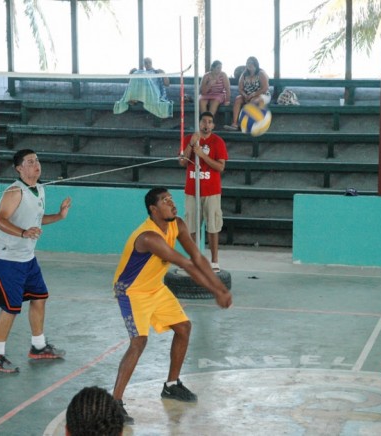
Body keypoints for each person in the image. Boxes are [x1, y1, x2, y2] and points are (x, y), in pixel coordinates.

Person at [111, 187, 233, 425]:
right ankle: (114, 402)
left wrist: (220, 287)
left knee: (184, 328)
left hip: (155, 287)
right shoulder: (149, 237)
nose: (172, 204)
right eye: (165, 201)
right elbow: (186, 264)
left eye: (172, 199)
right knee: (139, 342)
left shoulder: (177, 224)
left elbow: (197, 257)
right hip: (132, 291)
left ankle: (171, 385)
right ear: (153, 210)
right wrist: (218, 290)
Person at [0, 149, 72, 373]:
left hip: (27, 258)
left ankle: (39, 346)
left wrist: (60, 216)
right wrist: (23, 233)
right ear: (19, 168)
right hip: (6, 258)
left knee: (39, 297)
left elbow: (36, 219)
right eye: (30, 162)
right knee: (10, 308)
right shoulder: (15, 191)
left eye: (37, 161)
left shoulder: (39, 189)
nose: (36, 165)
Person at [179, 111, 228, 272]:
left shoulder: (218, 142)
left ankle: (214, 261)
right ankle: (195, 259)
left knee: (213, 226)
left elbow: (220, 167)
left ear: (213, 125)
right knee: (191, 226)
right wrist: (191, 145)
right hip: (192, 191)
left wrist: (202, 155)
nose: (206, 124)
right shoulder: (190, 138)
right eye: (203, 121)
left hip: (211, 191)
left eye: (209, 122)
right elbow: (182, 162)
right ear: (199, 123)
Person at [224, 56, 271, 130]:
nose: (249, 64)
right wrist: (245, 95)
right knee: (238, 99)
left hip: (261, 95)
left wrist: (253, 94)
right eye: (248, 63)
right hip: (247, 95)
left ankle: (246, 124)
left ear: (255, 64)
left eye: (251, 63)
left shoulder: (261, 73)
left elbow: (265, 88)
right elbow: (240, 88)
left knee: (253, 101)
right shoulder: (244, 74)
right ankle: (234, 123)